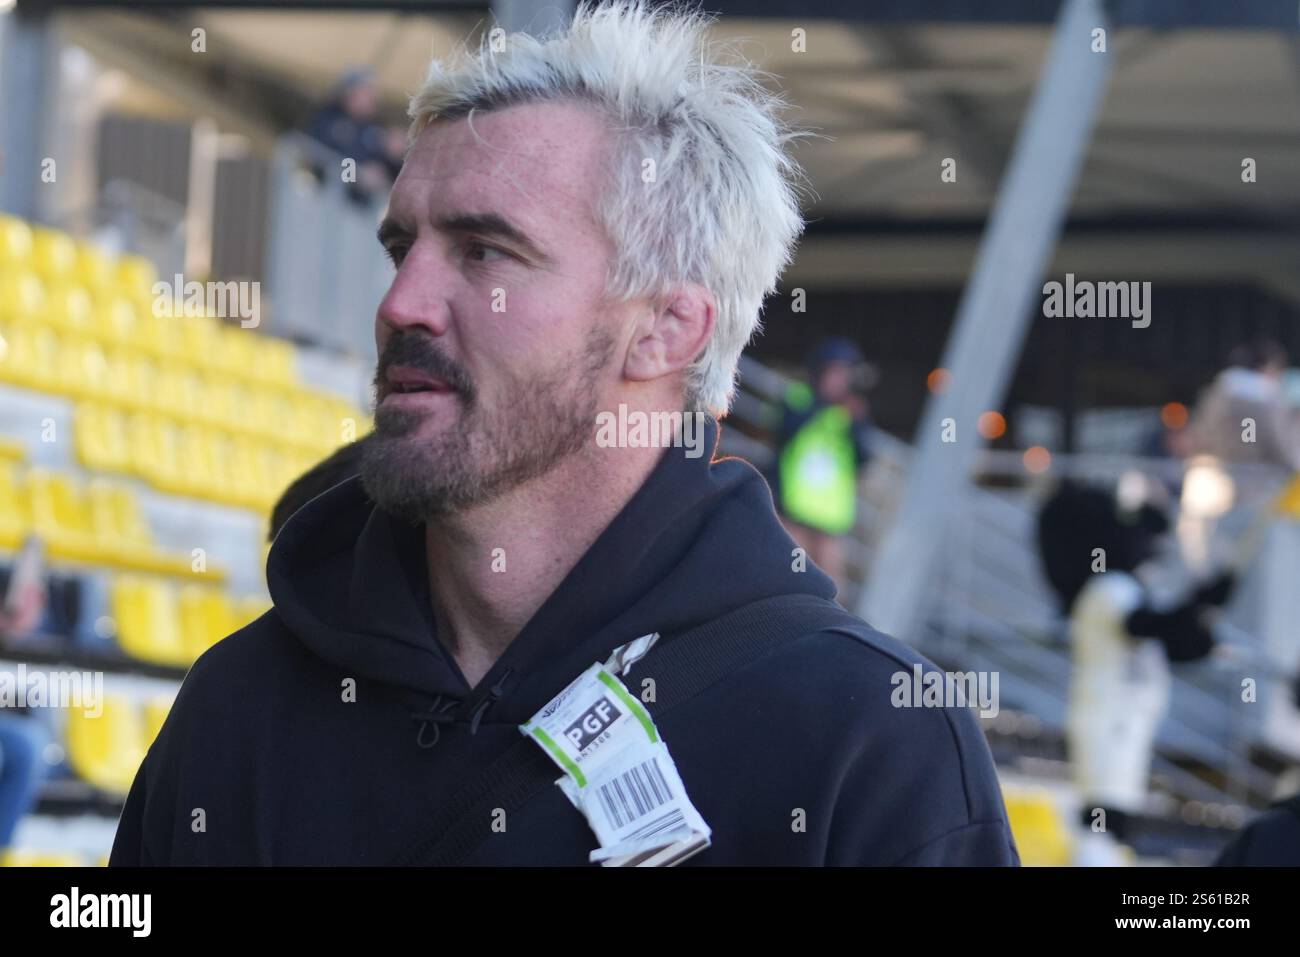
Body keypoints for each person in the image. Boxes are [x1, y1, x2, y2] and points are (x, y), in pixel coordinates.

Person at [110, 2, 1017, 867]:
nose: (399, 305)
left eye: (486, 251)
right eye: (402, 247)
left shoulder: (866, 744)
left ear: (666, 328)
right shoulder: (241, 703)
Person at [1036, 481, 1233, 865]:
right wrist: (1200, 602)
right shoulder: (1107, 589)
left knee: (1116, 817)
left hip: (1126, 722)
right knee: (1103, 818)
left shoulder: (1124, 589)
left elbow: (1176, 643)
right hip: (1109, 723)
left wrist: (1204, 606)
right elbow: (1149, 626)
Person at [768, 337, 873, 592]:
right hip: (793, 510)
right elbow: (782, 433)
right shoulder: (799, 398)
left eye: (844, 374)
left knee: (832, 592)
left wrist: (854, 422)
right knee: (785, 581)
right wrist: (824, 404)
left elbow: (864, 458)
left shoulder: (852, 411)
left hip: (830, 518)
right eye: (834, 372)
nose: (839, 380)